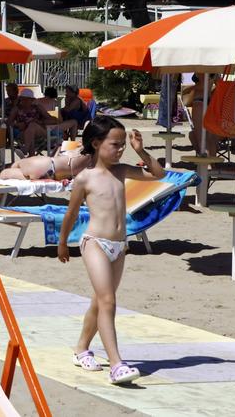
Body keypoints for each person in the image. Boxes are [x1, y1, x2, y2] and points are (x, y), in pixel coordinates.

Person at [58, 116, 165, 386]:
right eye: (115, 144)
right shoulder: (85, 178)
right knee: (108, 301)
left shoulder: (121, 171)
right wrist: (62, 242)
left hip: (119, 245)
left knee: (100, 301)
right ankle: (116, 364)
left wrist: (141, 151)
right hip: (95, 243)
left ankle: (81, 349)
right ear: (96, 143)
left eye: (122, 145)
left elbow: (158, 174)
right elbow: (71, 214)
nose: (120, 149)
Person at [7, 89, 52, 155]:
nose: (25, 101)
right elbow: (8, 122)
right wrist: (17, 124)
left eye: (28, 99)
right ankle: (31, 156)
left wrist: (39, 122)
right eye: (23, 99)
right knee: (30, 133)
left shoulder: (38, 107)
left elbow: (52, 120)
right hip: (24, 133)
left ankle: (25, 150)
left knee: (32, 125)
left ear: (32, 100)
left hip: (40, 132)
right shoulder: (16, 109)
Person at [188, 74, 220, 155]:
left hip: (199, 101)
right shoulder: (216, 70)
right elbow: (220, 85)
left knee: (200, 137)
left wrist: (189, 89)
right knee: (210, 137)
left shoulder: (202, 67)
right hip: (208, 102)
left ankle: (205, 159)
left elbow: (202, 85)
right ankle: (212, 161)